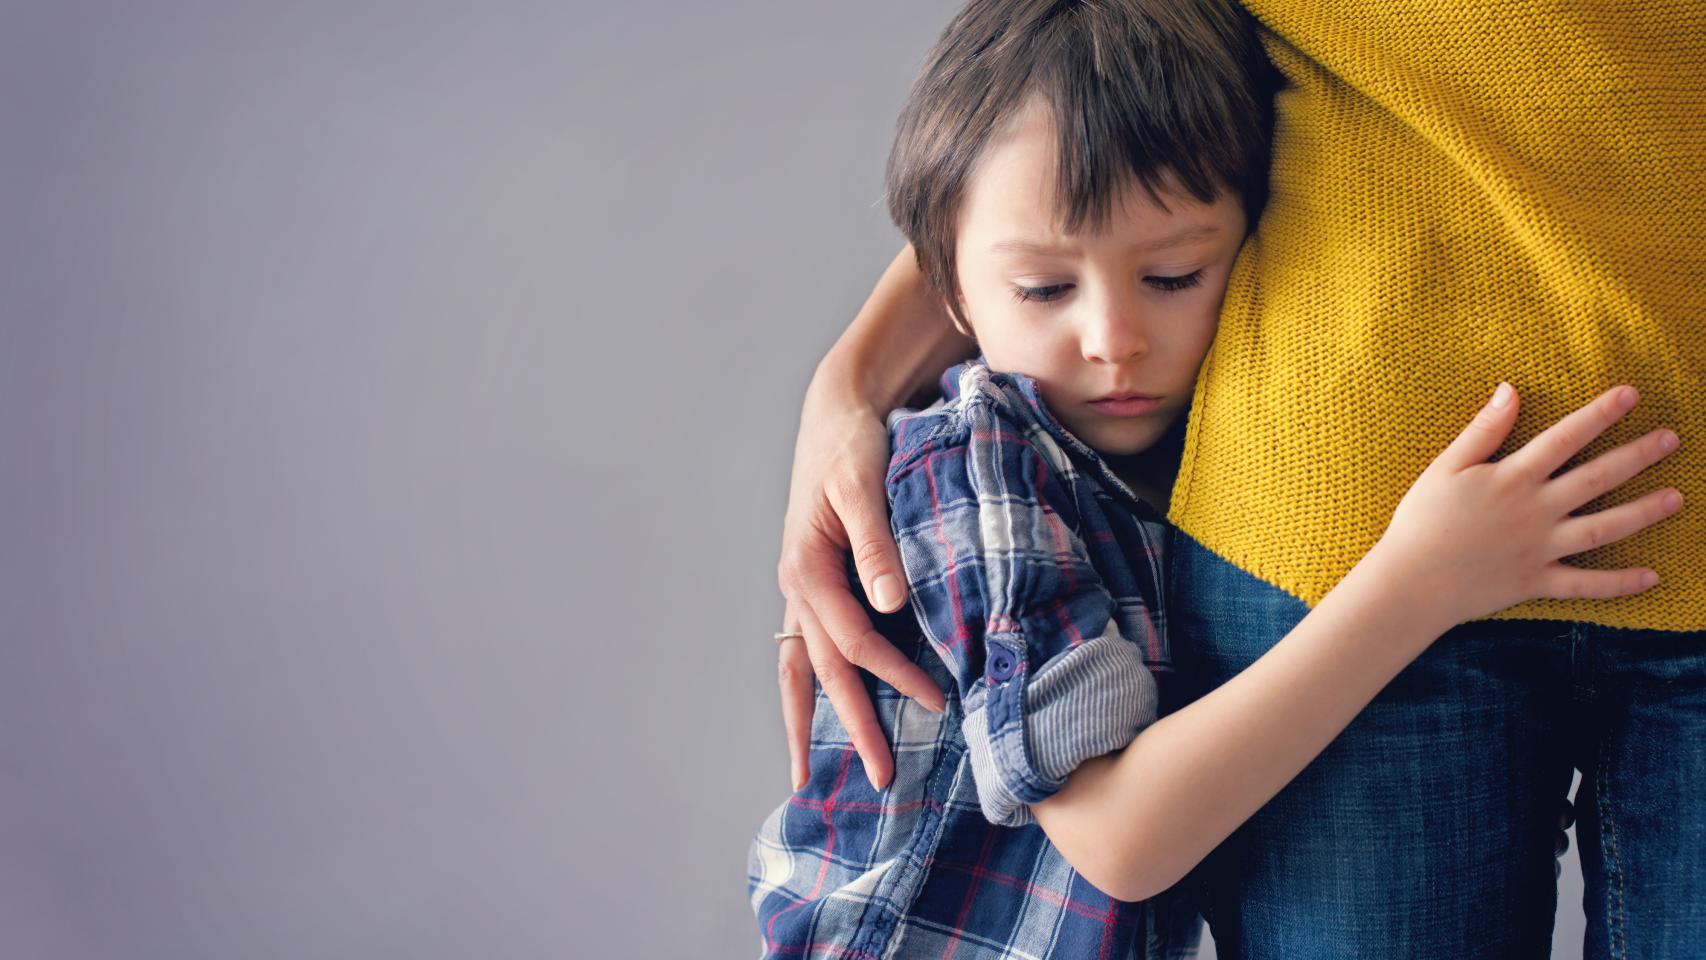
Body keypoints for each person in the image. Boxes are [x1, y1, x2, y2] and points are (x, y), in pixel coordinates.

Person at [749, 1, 1685, 956]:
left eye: (1174, 277)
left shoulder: (1145, 434)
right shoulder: (976, 474)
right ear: (954, 290)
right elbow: (1121, 836)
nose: (1115, 343)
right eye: (1044, 291)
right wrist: (1421, 581)